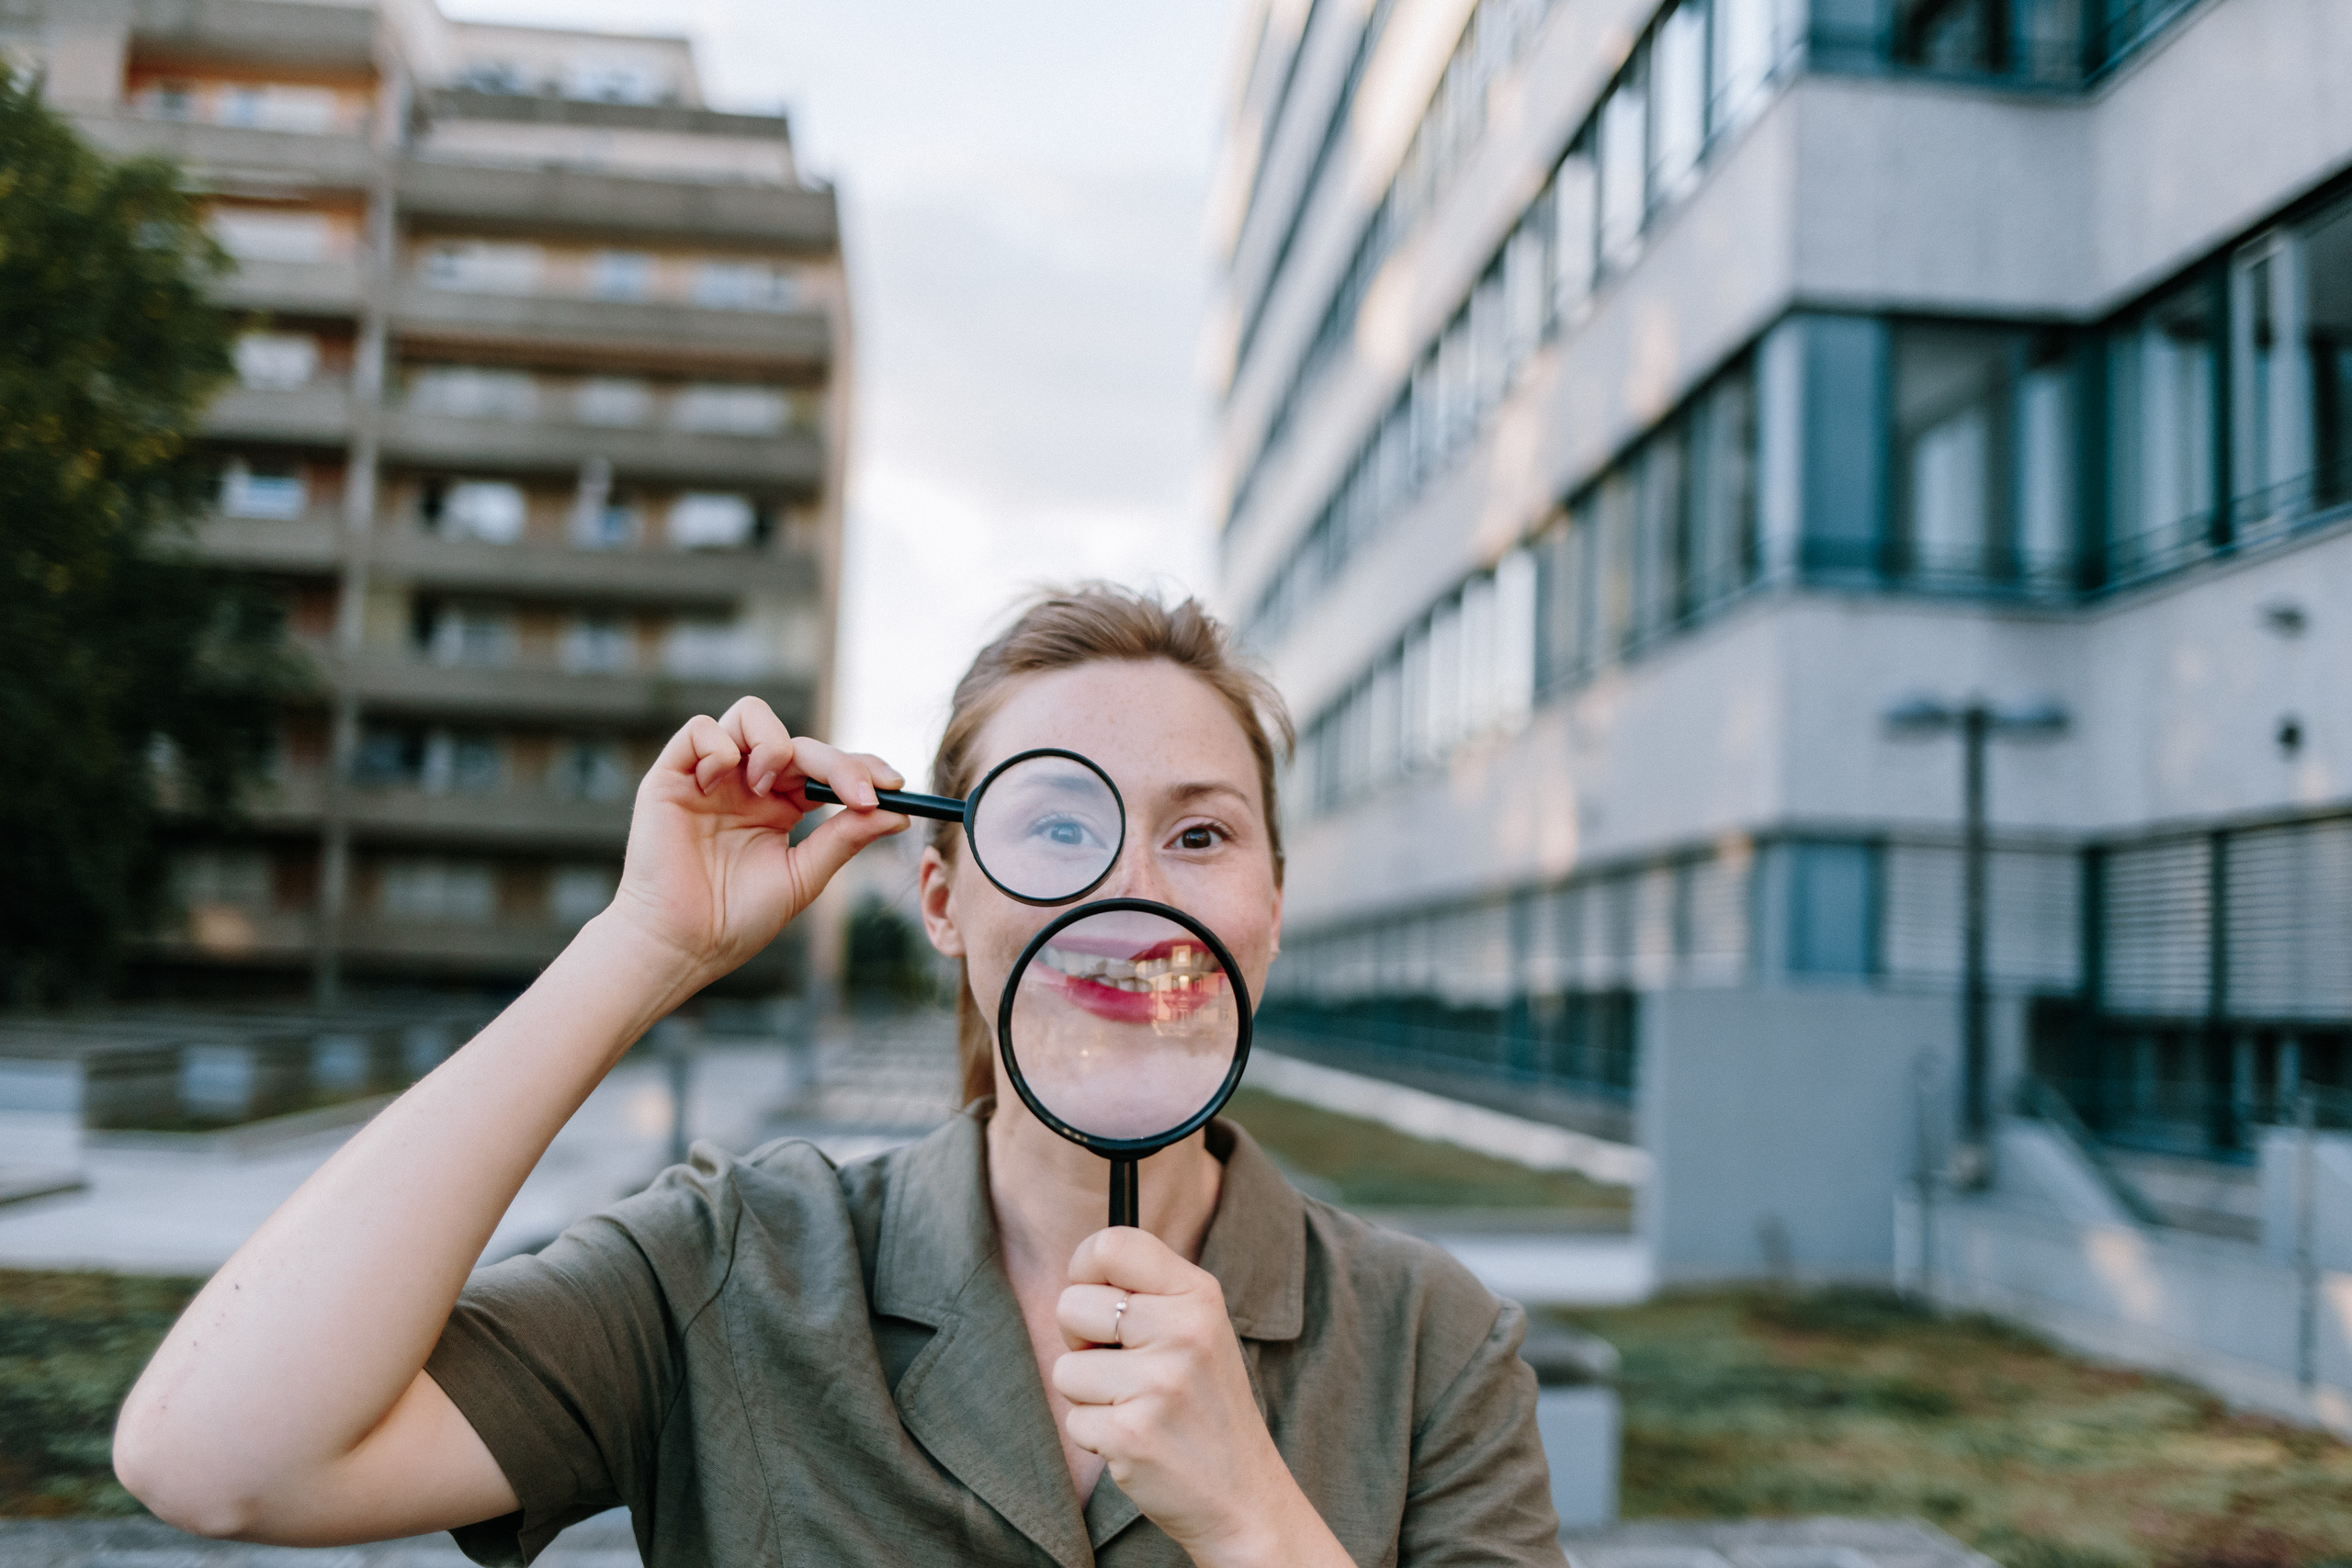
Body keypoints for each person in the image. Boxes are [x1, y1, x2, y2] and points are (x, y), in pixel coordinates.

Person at [114, 586, 1566, 1567]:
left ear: (1271, 903)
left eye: (1200, 837)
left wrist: (1260, 1523)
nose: (1132, 890)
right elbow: (217, 1457)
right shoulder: (730, 1268)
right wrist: (641, 949)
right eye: (1055, 828)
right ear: (940, 898)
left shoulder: (1434, 1348)